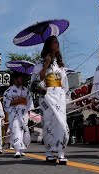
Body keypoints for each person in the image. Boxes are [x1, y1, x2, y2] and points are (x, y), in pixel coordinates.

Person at [30, 35, 70, 165]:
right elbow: (37, 80)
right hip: (47, 95)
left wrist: (64, 96)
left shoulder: (60, 65)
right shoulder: (40, 62)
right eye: (54, 42)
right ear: (48, 45)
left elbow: (64, 84)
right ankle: (49, 151)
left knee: (61, 123)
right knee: (49, 124)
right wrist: (46, 64)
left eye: (57, 42)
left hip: (59, 96)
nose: (57, 44)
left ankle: (60, 152)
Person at [3, 71, 34, 158]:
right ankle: (17, 149)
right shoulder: (8, 91)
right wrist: (16, 101)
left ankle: (21, 148)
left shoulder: (25, 90)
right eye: (20, 77)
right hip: (14, 112)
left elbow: (29, 102)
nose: (22, 79)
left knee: (24, 130)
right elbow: (6, 103)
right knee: (16, 129)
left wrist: (29, 112)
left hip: (24, 112)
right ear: (15, 79)